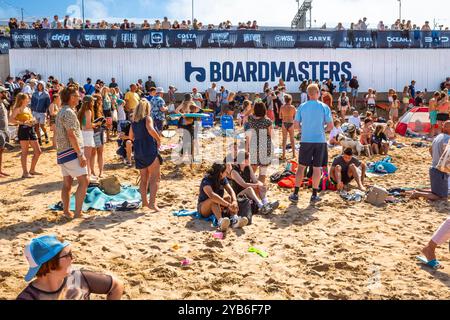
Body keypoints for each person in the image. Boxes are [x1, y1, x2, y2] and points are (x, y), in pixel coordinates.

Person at [17, 235, 124, 300]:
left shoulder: (78, 278)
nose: (73, 258)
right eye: (68, 255)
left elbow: (116, 286)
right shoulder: (29, 297)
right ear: (50, 264)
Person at [289, 84, 333, 203]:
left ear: (308, 94)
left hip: (306, 140)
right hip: (320, 140)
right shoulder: (324, 106)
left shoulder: (302, 107)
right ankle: (314, 195)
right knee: (317, 168)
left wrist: (305, 129)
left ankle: (296, 194)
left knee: (301, 167)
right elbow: (330, 126)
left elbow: (297, 125)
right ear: (318, 93)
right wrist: (321, 129)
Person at [55, 85, 89, 218]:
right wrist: (80, 154)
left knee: (67, 183)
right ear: (68, 97)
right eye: (75, 96)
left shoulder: (61, 111)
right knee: (84, 181)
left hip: (62, 152)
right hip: (71, 152)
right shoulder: (68, 112)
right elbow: (71, 134)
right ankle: (78, 213)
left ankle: (66, 211)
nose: (78, 98)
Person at [129, 99, 162, 212]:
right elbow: (150, 129)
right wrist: (158, 140)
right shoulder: (147, 118)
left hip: (138, 150)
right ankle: (152, 203)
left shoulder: (133, 121)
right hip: (148, 147)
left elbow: (130, 137)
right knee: (155, 177)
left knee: (144, 179)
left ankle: (144, 202)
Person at [198, 163, 248, 231]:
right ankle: (220, 222)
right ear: (221, 173)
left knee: (229, 198)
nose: (227, 173)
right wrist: (228, 205)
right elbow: (212, 195)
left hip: (217, 206)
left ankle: (235, 219)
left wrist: (234, 201)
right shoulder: (206, 180)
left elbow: (231, 191)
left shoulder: (222, 179)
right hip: (203, 208)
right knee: (214, 200)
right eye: (226, 172)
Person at [411, 121, 450, 201]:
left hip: (433, 168)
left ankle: (419, 191)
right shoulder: (447, 138)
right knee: (442, 197)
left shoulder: (438, 136)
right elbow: (447, 152)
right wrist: (442, 162)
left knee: (437, 192)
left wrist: (436, 159)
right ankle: (418, 194)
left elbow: (430, 149)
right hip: (440, 171)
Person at [9, 93, 42, 178]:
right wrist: (22, 122)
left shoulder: (28, 108)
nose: (29, 99)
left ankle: (32, 170)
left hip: (31, 130)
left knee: (38, 151)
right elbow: (11, 120)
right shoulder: (17, 109)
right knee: (25, 152)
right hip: (23, 130)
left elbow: (30, 118)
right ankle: (25, 172)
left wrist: (33, 120)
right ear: (22, 100)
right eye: (27, 98)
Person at [247, 102, 273, 184]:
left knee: (253, 167)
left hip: (253, 144)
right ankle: (260, 188)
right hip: (264, 144)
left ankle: (249, 184)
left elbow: (245, 114)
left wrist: (252, 108)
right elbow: (270, 134)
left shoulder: (250, 118)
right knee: (263, 170)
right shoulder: (267, 121)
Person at [77, 95, 97, 181]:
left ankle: (86, 174)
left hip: (82, 133)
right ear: (90, 102)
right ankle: (88, 175)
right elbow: (88, 125)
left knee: (85, 155)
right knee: (87, 156)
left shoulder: (81, 110)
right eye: (93, 101)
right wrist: (97, 124)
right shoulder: (88, 111)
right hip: (87, 134)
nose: (94, 103)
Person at [175, 94, 199, 160]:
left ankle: (183, 154)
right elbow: (197, 110)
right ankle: (191, 157)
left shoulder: (183, 103)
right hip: (190, 121)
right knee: (191, 139)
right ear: (190, 97)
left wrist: (182, 115)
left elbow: (176, 110)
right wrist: (192, 113)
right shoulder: (191, 102)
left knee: (186, 139)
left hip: (183, 121)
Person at [30, 81, 51, 145]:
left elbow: (48, 104)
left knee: (42, 126)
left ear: (43, 86)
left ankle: (46, 135)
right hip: (35, 112)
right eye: (39, 85)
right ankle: (39, 140)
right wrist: (32, 110)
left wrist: (48, 113)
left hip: (42, 112)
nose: (40, 86)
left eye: (41, 85)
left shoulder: (46, 94)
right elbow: (32, 102)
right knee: (36, 127)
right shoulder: (34, 93)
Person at [279, 94, 296, 160]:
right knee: (292, 139)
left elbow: (280, 117)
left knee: (284, 139)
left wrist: (285, 116)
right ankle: (294, 154)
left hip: (284, 123)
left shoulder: (282, 107)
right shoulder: (293, 107)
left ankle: (283, 155)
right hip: (291, 123)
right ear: (290, 100)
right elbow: (295, 116)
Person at [0, 86, 11, 177]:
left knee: (1, 151)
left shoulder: (3, 103)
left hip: (4, 130)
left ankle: (0, 170)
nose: (6, 94)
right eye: (4, 92)